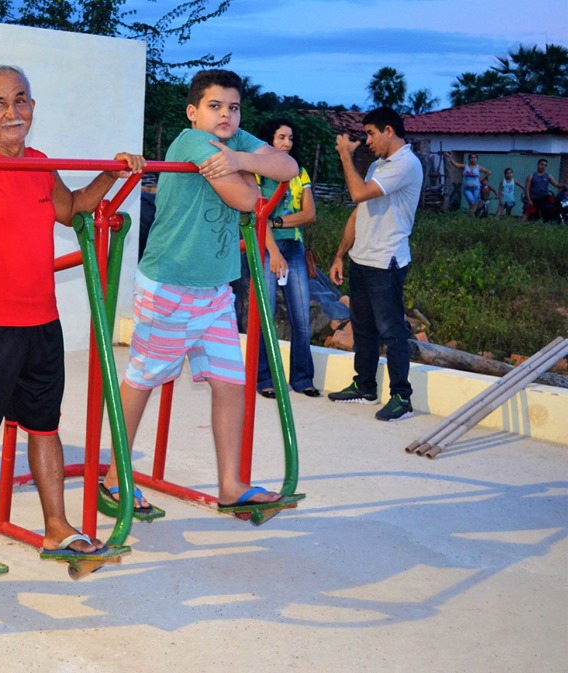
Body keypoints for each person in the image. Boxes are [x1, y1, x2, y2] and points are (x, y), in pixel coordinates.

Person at [0, 65, 145, 560]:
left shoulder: (40, 165)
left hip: (41, 320)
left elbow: (71, 209)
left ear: (33, 107)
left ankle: (57, 526)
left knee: (44, 425)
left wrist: (111, 172)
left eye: (20, 100)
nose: (12, 112)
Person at [101, 69, 297, 513]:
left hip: (215, 291)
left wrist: (242, 161)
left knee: (230, 383)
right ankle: (115, 477)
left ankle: (231, 485)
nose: (225, 115)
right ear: (193, 112)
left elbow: (288, 167)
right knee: (143, 379)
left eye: (233, 107)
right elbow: (246, 200)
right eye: (214, 106)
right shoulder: (192, 141)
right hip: (171, 284)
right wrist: (252, 170)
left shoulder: (236, 141)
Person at [328, 106, 423, 422]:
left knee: (392, 331)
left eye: (371, 133)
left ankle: (402, 398)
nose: (367, 140)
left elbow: (357, 193)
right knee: (364, 328)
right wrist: (341, 255)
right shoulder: (379, 165)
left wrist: (346, 156)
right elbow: (360, 212)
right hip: (362, 258)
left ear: (389, 131)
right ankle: (365, 386)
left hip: (386, 261)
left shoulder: (406, 164)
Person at [253, 118, 320, 400]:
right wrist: (274, 251)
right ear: (269, 140)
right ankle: (265, 378)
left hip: (293, 246)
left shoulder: (299, 172)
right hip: (266, 247)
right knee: (265, 315)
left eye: (290, 138)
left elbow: (310, 214)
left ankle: (302, 378)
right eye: (281, 137)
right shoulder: (257, 172)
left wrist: (277, 221)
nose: (286, 143)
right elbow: (256, 214)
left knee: (301, 316)